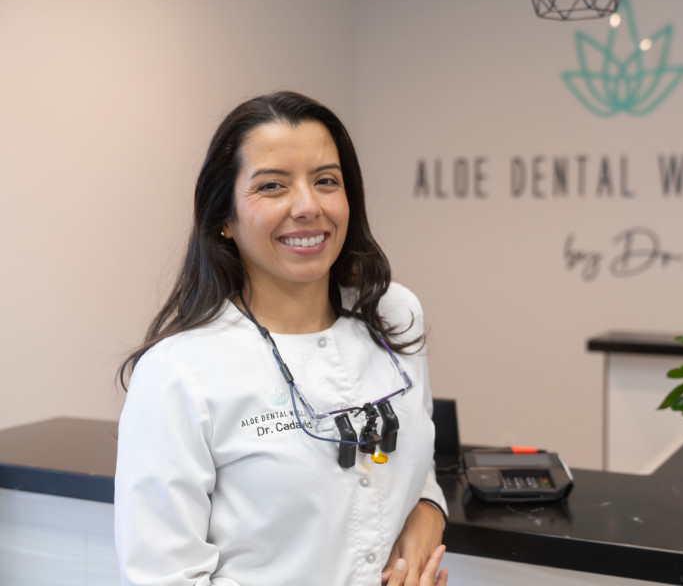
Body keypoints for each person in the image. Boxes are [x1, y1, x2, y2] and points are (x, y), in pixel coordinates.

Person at [115, 91, 449, 586]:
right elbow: (165, 577)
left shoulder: (395, 315)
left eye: (326, 181)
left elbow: (411, 456)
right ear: (223, 219)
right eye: (272, 186)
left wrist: (427, 511)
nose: (308, 206)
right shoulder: (179, 374)